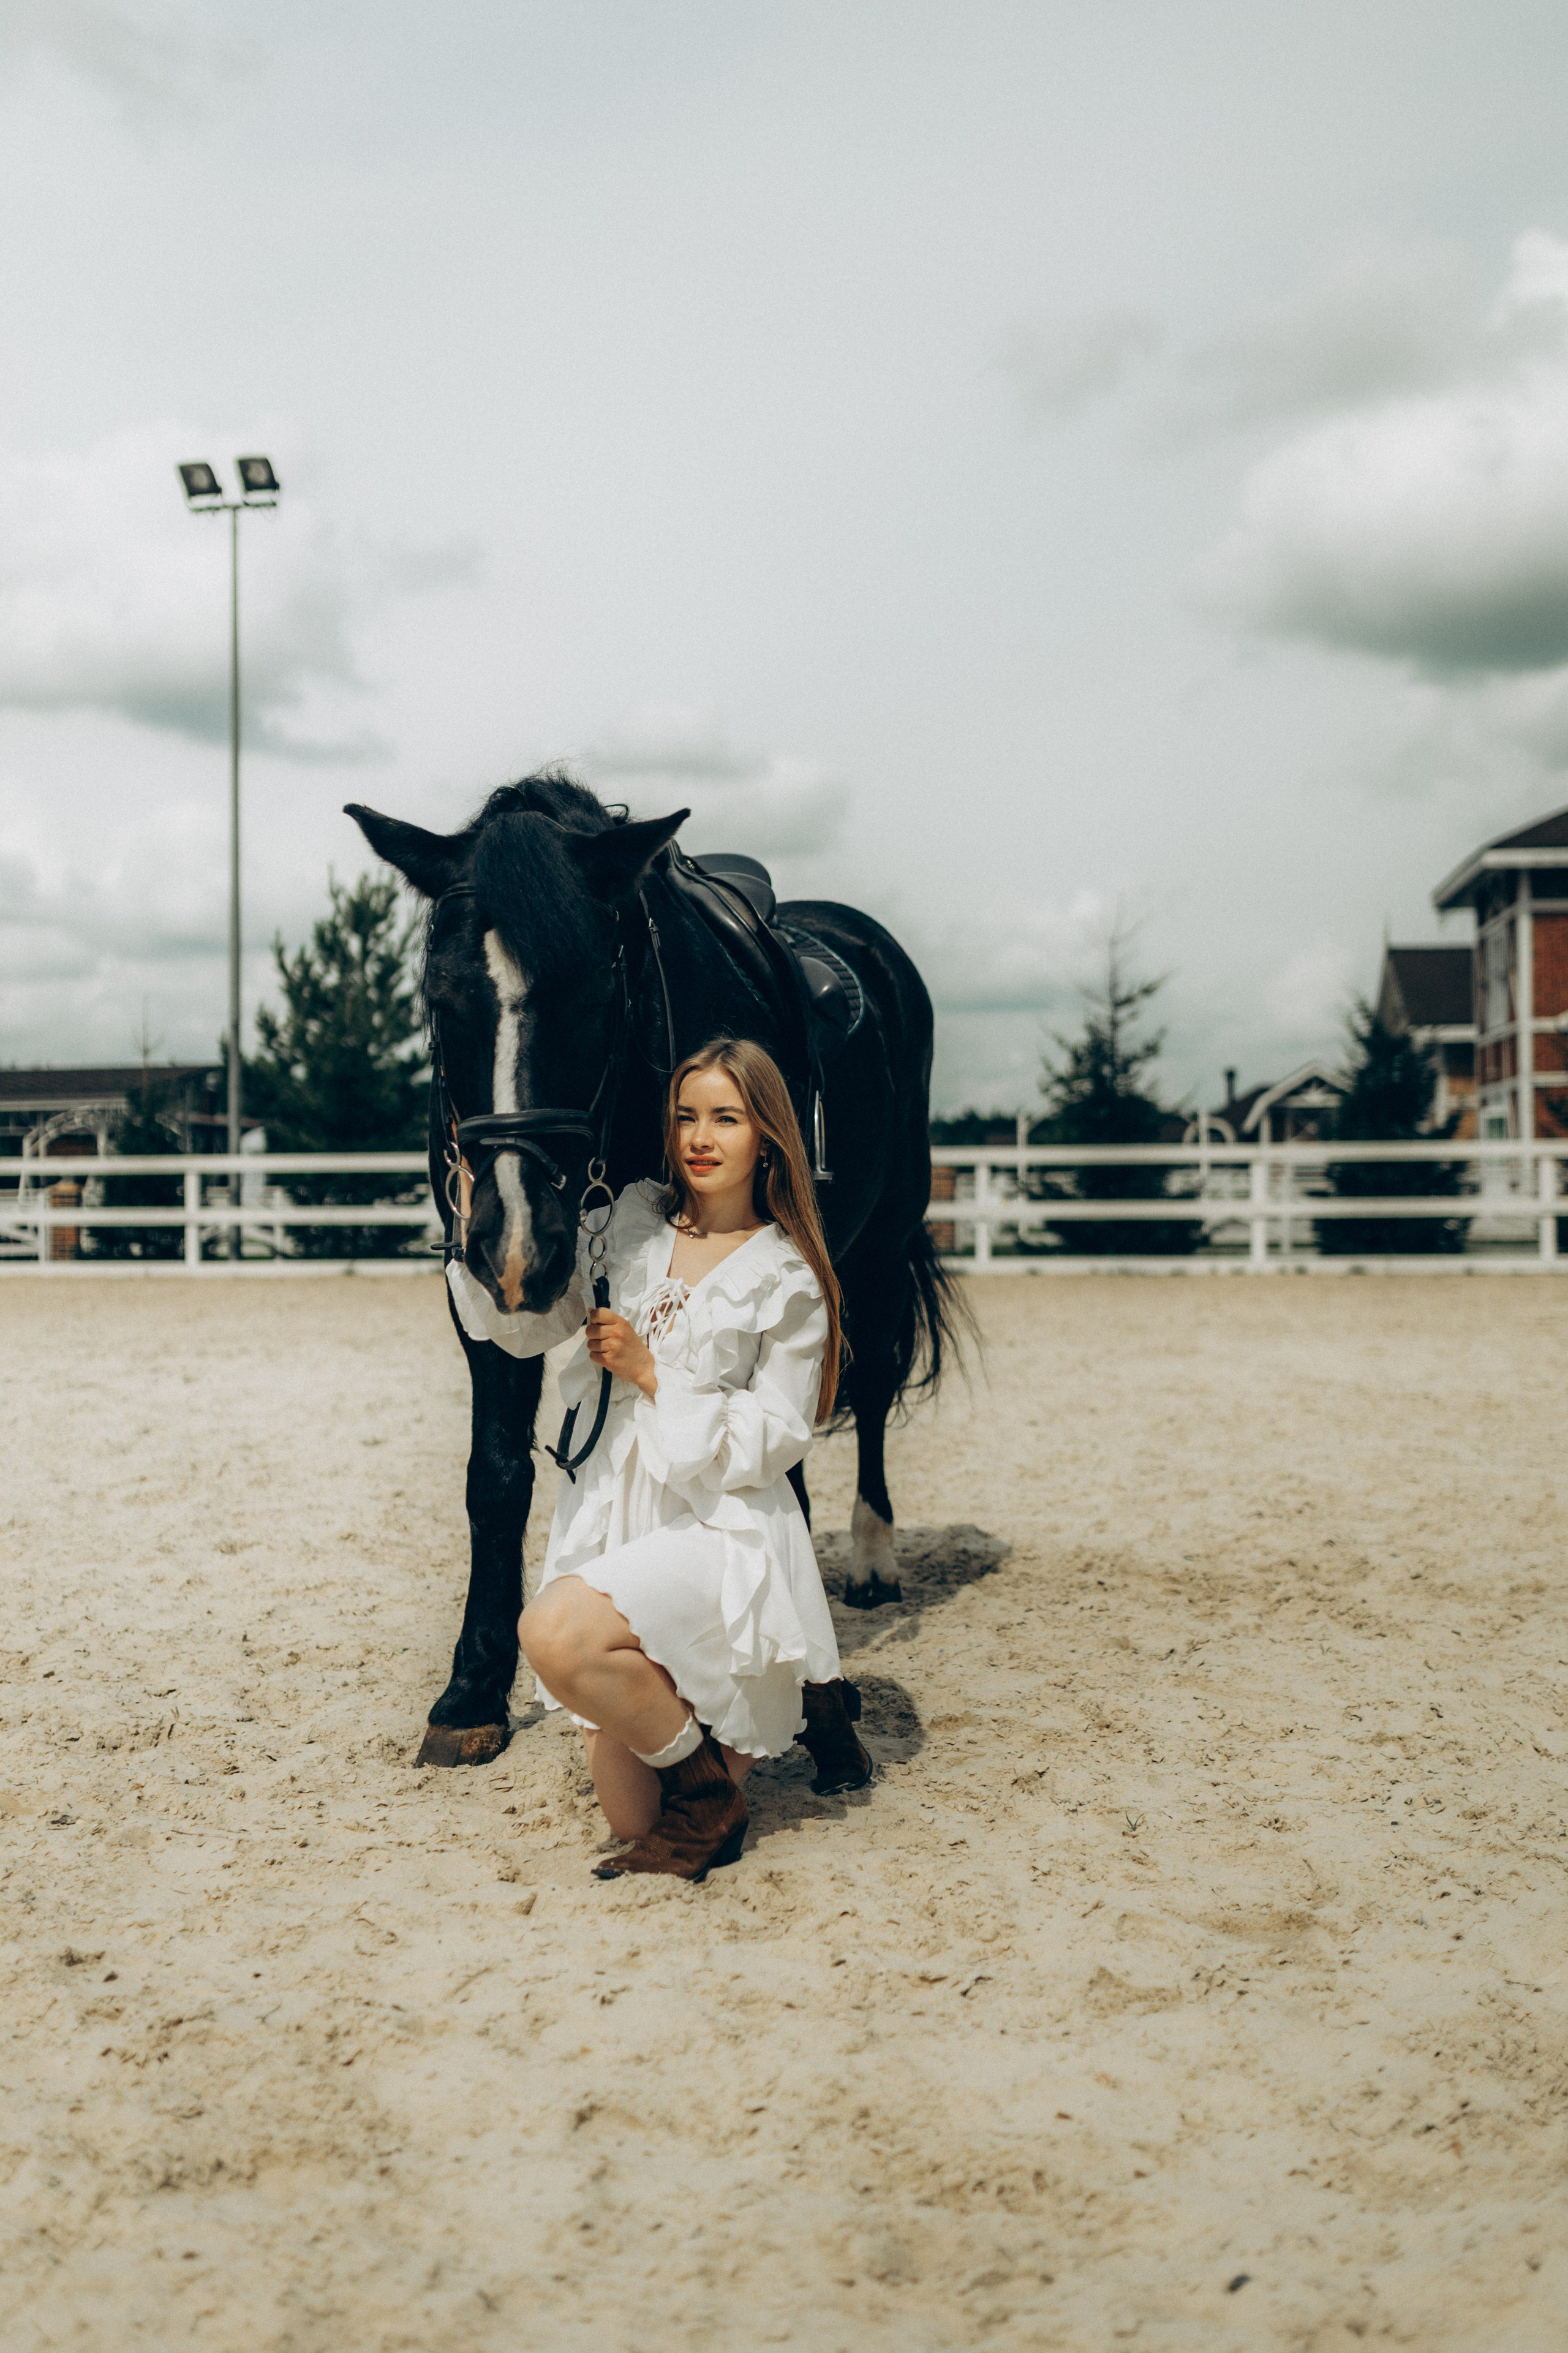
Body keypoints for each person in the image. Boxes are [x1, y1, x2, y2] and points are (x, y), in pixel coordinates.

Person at [494, 1037, 869, 1881]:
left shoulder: (788, 1276)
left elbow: (779, 1435)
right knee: (634, 1816)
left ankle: (724, 1774)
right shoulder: (627, 1223)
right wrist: (489, 1245)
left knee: (551, 1630)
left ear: (766, 1135)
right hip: (615, 1510)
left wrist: (655, 1372)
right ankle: (704, 1784)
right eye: (686, 1116)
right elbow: (534, 1317)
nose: (701, 1137)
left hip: (717, 1525)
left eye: (727, 1118)